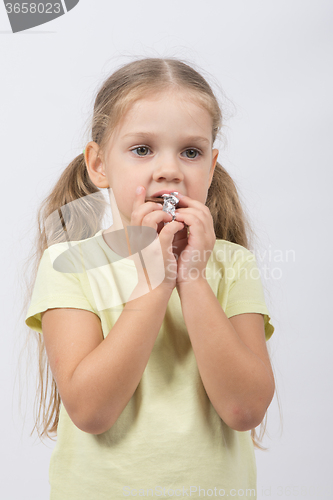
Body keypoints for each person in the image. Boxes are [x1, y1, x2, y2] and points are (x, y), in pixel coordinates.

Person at [24, 57, 276, 500]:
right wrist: (156, 285)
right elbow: (91, 411)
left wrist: (192, 280)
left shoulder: (231, 265)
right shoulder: (69, 264)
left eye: (191, 152)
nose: (170, 170)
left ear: (211, 167)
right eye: (142, 149)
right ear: (99, 165)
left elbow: (245, 408)